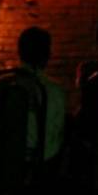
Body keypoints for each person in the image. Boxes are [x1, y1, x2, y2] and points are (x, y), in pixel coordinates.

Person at [16, 27, 67, 165]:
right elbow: (54, 143)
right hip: (41, 167)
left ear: (19, 52)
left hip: (4, 165)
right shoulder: (55, 91)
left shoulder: (1, 84)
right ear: (47, 55)